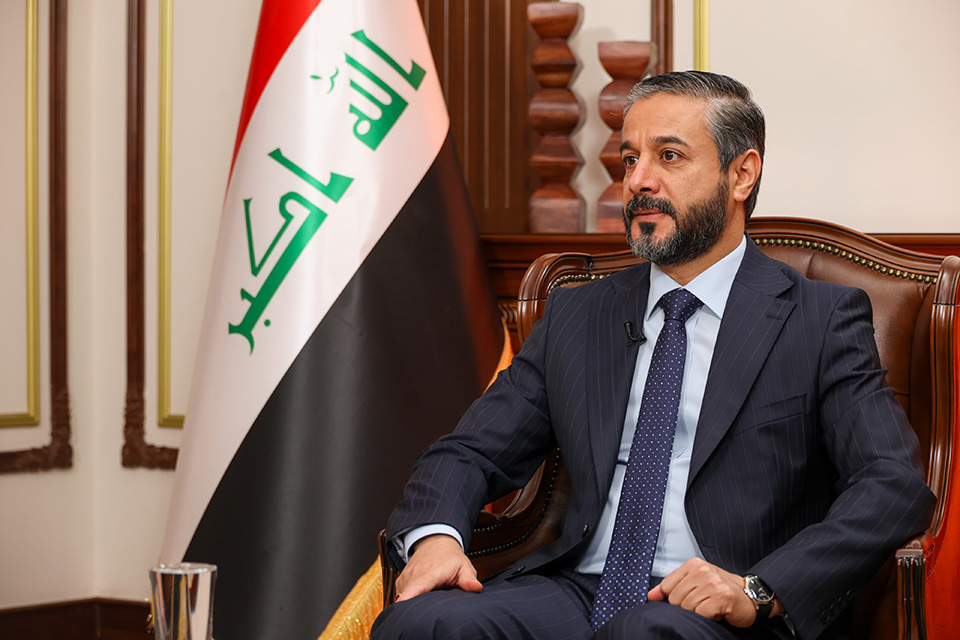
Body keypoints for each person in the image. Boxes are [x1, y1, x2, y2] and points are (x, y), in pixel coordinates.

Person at [371, 71, 934, 640]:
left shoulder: (818, 318)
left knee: (644, 632)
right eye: (629, 159)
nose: (638, 180)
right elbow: (469, 451)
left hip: (723, 609)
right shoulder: (578, 315)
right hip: (578, 590)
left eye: (669, 156)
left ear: (741, 174)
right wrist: (436, 538)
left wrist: (759, 589)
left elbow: (891, 484)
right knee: (421, 623)